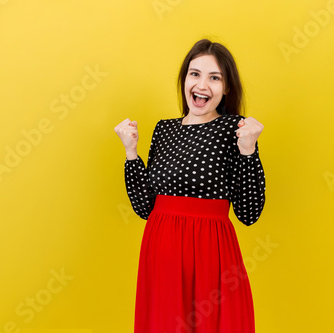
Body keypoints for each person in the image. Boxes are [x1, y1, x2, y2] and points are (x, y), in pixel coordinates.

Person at [114, 38, 266, 333]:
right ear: (185, 80)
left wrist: (248, 151)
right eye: (195, 74)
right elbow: (146, 207)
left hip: (210, 253)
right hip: (161, 253)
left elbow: (249, 213)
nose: (202, 85)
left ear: (227, 88)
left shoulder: (234, 129)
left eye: (214, 77)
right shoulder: (164, 129)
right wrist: (131, 153)